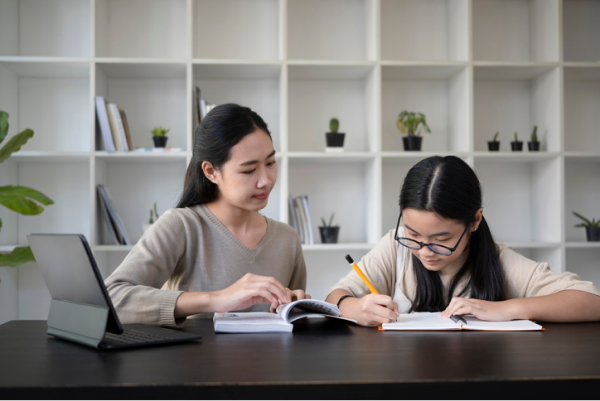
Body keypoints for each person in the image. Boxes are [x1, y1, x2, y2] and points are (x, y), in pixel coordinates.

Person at [326, 156, 600, 327]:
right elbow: (334, 296)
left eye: (440, 239)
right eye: (413, 234)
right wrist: (356, 308)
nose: (424, 251)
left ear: (475, 221)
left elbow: (592, 300)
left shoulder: (499, 260)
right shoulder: (395, 248)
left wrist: (506, 309)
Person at [106, 103, 309, 327]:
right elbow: (112, 299)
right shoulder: (181, 226)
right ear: (211, 172)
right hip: (193, 362)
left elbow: (292, 328)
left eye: (270, 162)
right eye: (249, 170)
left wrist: (293, 307)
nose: (266, 180)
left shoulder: (287, 239)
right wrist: (217, 299)